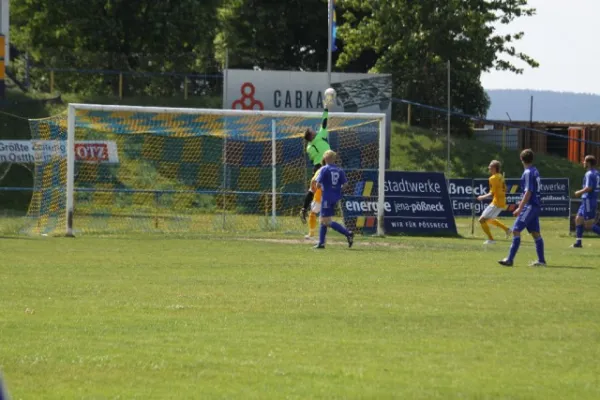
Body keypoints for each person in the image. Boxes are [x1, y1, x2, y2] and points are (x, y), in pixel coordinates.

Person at [499, 149, 547, 267]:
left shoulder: (527, 172)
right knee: (535, 233)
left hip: (530, 206)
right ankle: (541, 261)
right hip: (534, 205)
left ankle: (509, 259)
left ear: (521, 159)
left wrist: (520, 208)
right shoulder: (535, 170)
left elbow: (528, 192)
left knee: (516, 230)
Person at [314, 150, 354, 249]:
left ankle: (348, 233)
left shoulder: (324, 169)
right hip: (335, 197)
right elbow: (346, 184)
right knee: (323, 219)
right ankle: (321, 243)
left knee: (325, 221)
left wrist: (320, 187)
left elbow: (318, 184)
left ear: (325, 158)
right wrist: (337, 190)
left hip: (327, 197)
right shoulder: (340, 170)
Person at [299, 102, 331, 223]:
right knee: (327, 190)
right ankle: (321, 212)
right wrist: (326, 109)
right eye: (313, 131)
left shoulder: (308, 148)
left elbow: (313, 158)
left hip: (317, 168)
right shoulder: (321, 135)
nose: (314, 131)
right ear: (311, 135)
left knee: (313, 190)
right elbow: (324, 121)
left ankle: (304, 208)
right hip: (326, 167)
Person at [477, 160, 511, 244]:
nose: (489, 168)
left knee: (481, 220)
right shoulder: (501, 176)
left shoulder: (492, 178)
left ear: (495, 168)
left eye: (490, 167)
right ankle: (507, 230)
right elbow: (505, 189)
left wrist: (482, 197)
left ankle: (491, 239)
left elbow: (491, 192)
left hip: (496, 202)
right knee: (489, 220)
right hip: (502, 202)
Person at [571, 155, 600, 248]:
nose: (583, 162)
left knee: (588, 225)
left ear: (588, 163)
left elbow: (589, 188)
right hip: (588, 200)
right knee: (578, 219)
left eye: (584, 161)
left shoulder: (589, 173)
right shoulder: (596, 173)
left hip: (589, 200)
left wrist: (579, 192)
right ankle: (578, 243)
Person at [305, 165, 323, 240]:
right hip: (329, 196)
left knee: (312, 213)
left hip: (319, 195)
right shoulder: (334, 170)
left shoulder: (320, 170)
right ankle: (323, 235)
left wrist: (312, 189)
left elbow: (313, 181)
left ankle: (311, 233)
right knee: (325, 216)